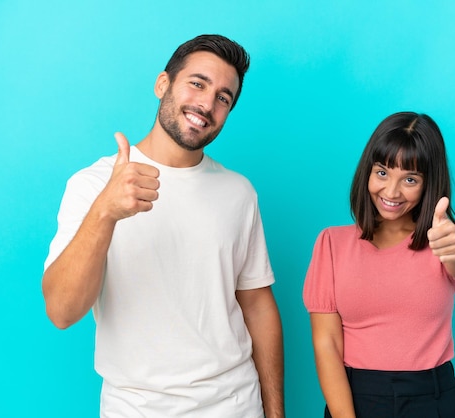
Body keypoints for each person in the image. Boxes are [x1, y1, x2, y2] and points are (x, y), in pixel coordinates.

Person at [42, 34, 284, 418]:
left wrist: (275, 413)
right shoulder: (93, 184)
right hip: (135, 408)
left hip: (236, 405)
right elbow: (61, 311)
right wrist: (104, 211)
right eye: (197, 83)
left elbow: (257, 306)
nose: (207, 104)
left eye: (224, 98)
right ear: (162, 84)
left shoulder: (239, 192)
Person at [302, 112, 455, 418]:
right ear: (367, 172)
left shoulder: (445, 239)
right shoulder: (332, 244)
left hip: (434, 399)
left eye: (410, 179)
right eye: (382, 172)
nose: (391, 192)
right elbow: (327, 343)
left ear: (429, 184)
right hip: (357, 399)